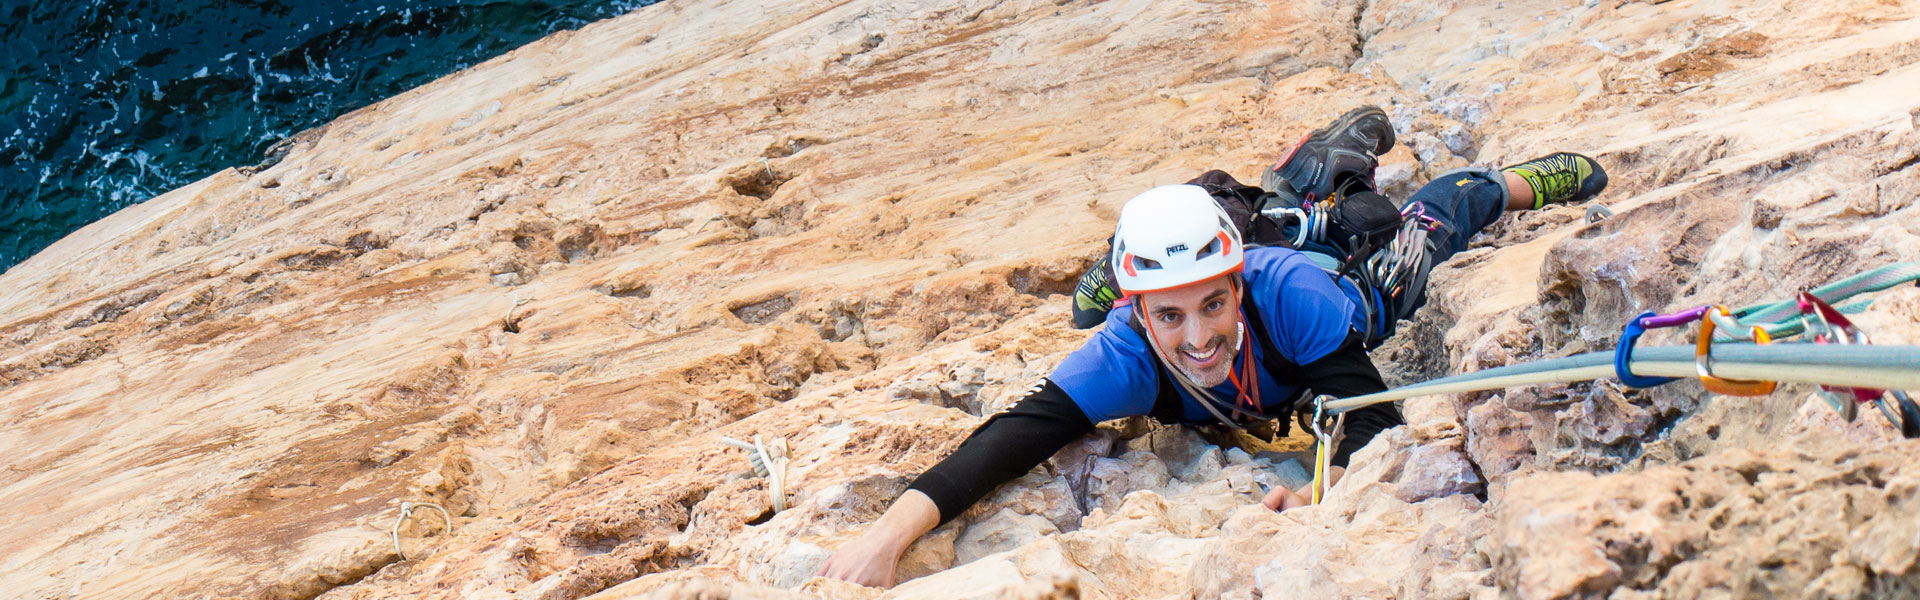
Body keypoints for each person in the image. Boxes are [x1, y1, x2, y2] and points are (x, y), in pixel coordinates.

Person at [819, 106, 1609, 588]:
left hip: (1331, 299)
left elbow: (1368, 412)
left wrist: (1324, 491)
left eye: (1212, 304)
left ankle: (1491, 184)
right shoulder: (1123, 352)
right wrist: (884, 538)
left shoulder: (1284, 295)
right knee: (1093, 312)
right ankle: (1312, 176)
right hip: (1244, 290)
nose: (1198, 338)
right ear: (1137, 311)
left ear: (1237, 283)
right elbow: (1006, 442)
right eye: (1168, 316)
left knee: (1410, 250)